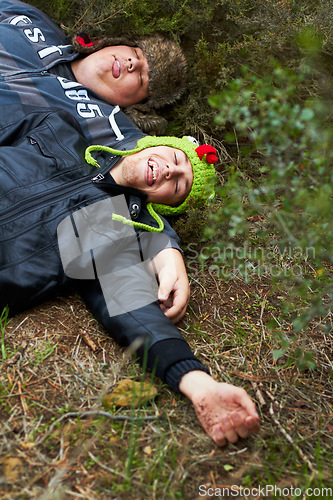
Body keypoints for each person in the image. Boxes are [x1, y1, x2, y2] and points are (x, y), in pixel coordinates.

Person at [0, 106, 260, 447]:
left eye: (179, 184)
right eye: (175, 158)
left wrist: (199, 383)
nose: (170, 171)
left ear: (166, 206)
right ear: (150, 144)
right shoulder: (56, 126)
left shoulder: (112, 231)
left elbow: (134, 309)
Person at [0, 0, 187, 134]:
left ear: (136, 108)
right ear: (115, 42)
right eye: (137, 53)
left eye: (141, 79)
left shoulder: (83, 132)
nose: (133, 63)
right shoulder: (31, 19)